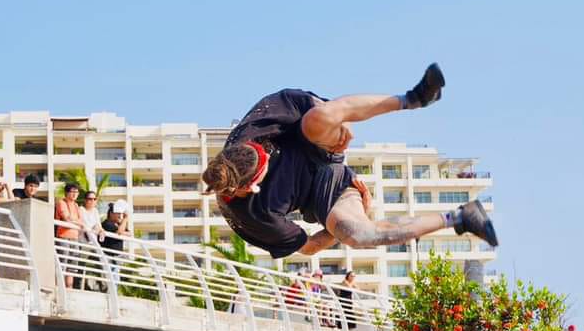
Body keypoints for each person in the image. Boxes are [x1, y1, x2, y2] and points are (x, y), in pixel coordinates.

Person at [201, 65, 497, 260]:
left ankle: (415, 98)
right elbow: (310, 247)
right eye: (264, 173)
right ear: (249, 189)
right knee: (360, 235)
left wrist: (339, 125)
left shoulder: (251, 131)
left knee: (320, 116)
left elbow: (306, 102)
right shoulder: (250, 217)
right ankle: (460, 217)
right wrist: (345, 223)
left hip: (314, 145)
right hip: (323, 195)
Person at [55, 182, 84, 289]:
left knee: (72, 266)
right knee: (62, 264)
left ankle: (69, 289)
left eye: (76, 192)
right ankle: (59, 288)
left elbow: (81, 221)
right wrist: (77, 222)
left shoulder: (76, 206)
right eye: (72, 192)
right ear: (67, 193)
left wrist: (76, 221)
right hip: (63, 236)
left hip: (75, 238)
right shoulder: (61, 202)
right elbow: (67, 218)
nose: (75, 194)